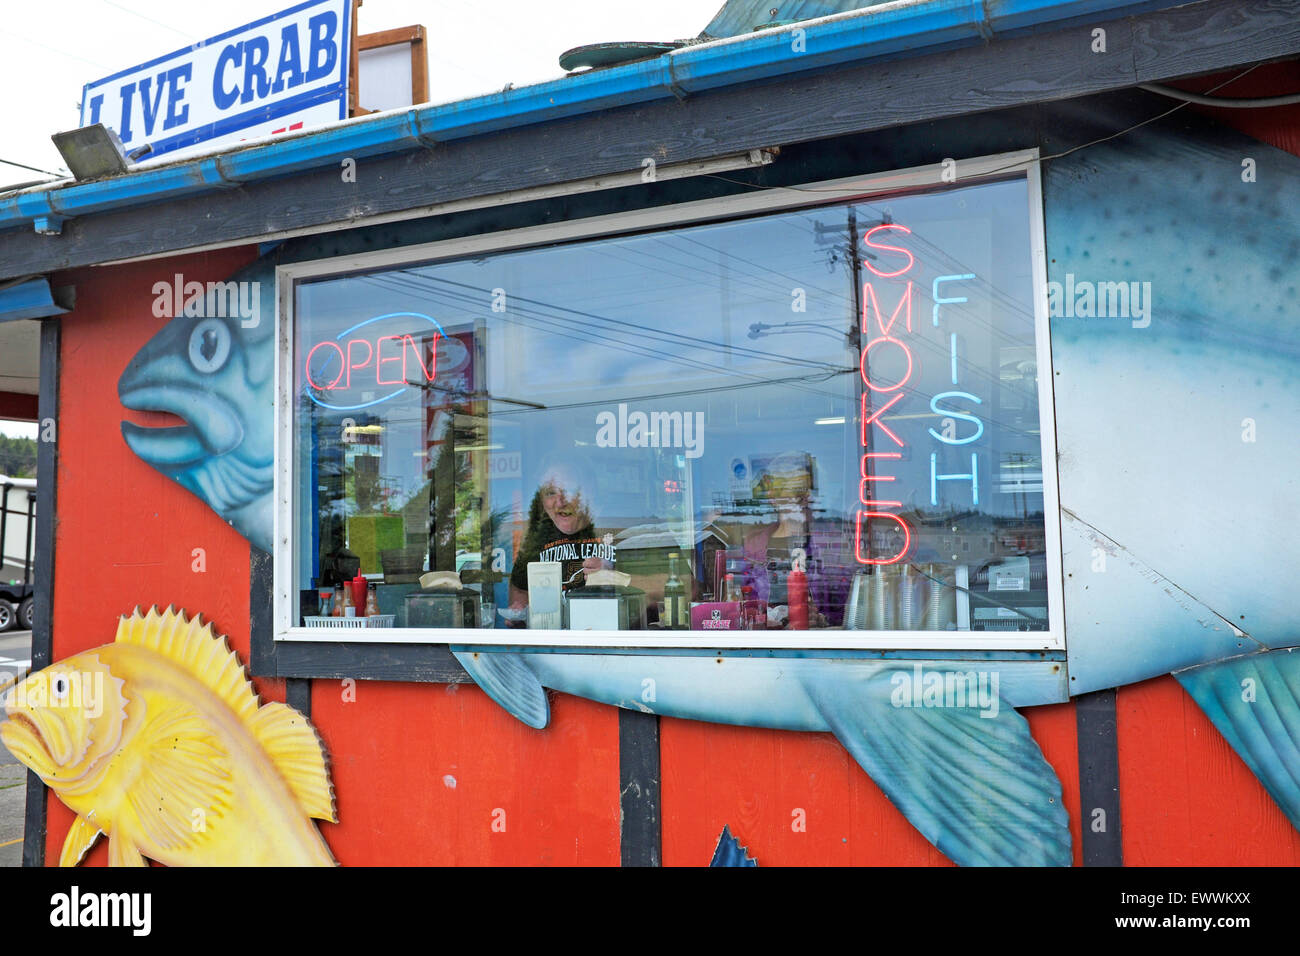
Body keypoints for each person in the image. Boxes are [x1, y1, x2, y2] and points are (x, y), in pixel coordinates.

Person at [508, 461, 615, 615]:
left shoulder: (614, 529)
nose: (559, 502)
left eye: (569, 490)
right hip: (554, 637)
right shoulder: (536, 540)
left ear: (589, 492)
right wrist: (518, 613)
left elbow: (652, 593)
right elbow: (519, 596)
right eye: (551, 493)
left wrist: (614, 578)